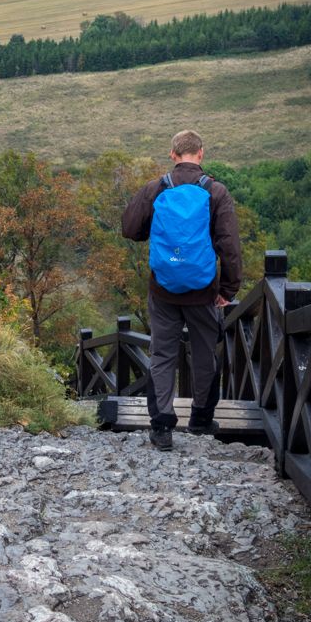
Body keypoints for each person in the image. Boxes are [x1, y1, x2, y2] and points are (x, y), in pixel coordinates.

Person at [121, 130, 242, 451]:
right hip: (204, 291)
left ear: (173, 155)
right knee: (204, 353)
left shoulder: (156, 188)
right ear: (200, 154)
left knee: (162, 355)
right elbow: (229, 246)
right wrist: (228, 288)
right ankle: (201, 419)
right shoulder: (216, 192)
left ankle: (161, 427)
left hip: (162, 289)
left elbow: (130, 229)